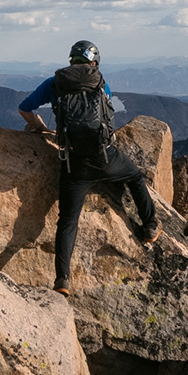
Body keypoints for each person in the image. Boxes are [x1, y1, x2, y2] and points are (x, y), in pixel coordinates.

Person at [17, 40, 161, 295]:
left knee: (68, 220)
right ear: (94, 62)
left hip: (75, 163)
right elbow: (107, 118)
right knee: (136, 177)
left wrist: (40, 127)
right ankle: (150, 227)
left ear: (71, 60)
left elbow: (25, 108)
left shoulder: (54, 83)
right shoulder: (100, 81)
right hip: (105, 157)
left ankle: (62, 279)